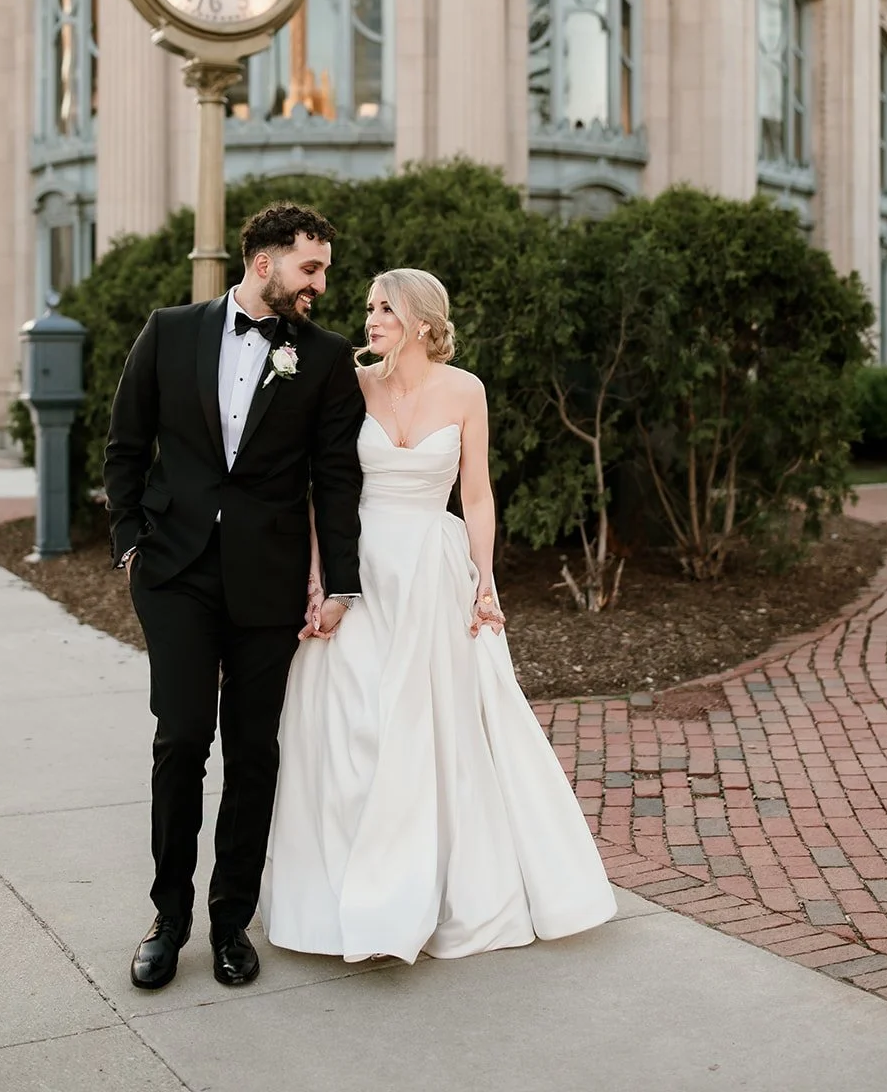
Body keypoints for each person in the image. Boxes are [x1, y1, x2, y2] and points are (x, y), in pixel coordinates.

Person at [262, 268, 617, 962]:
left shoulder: (466, 391)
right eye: (368, 308)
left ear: (422, 321)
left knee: (433, 727)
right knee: (349, 722)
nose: (370, 320)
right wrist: (318, 577)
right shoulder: (351, 383)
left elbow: (476, 495)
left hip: (431, 568)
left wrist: (486, 581)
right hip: (359, 569)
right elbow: (323, 491)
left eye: (384, 309)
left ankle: (431, 886)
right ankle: (343, 892)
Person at [104, 203, 365, 992]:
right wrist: (128, 541)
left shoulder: (322, 358)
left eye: (323, 268)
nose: (321, 282)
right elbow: (125, 440)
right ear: (263, 263)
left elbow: (336, 475)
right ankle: (169, 918)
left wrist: (341, 579)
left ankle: (229, 921)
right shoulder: (170, 330)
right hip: (175, 572)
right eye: (309, 268)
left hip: (269, 579)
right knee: (181, 740)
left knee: (254, 753)